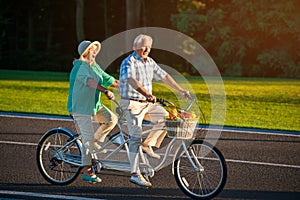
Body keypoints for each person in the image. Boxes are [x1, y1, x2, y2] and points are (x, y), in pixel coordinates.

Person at [119, 34, 190, 187]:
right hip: (131, 103)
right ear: (135, 47)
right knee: (135, 137)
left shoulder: (150, 62)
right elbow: (132, 80)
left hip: (147, 103)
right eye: (143, 46)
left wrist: (180, 90)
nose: (146, 49)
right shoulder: (128, 62)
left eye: (148, 47)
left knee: (167, 119)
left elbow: (164, 76)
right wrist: (147, 94)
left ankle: (148, 144)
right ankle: (135, 173)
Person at [67, 40, 119, 183]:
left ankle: (96, 141)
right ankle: (87, 171)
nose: (95, 52)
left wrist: (130, 89)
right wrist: (105, 90)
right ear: (86, 52)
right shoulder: (79, 66)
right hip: (80, 108)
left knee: (111, 119)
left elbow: (111, 80)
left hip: (94, 106)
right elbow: (90, 82)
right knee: (87, 139)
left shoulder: (94, 66)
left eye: (95, 49)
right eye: (92, 50)